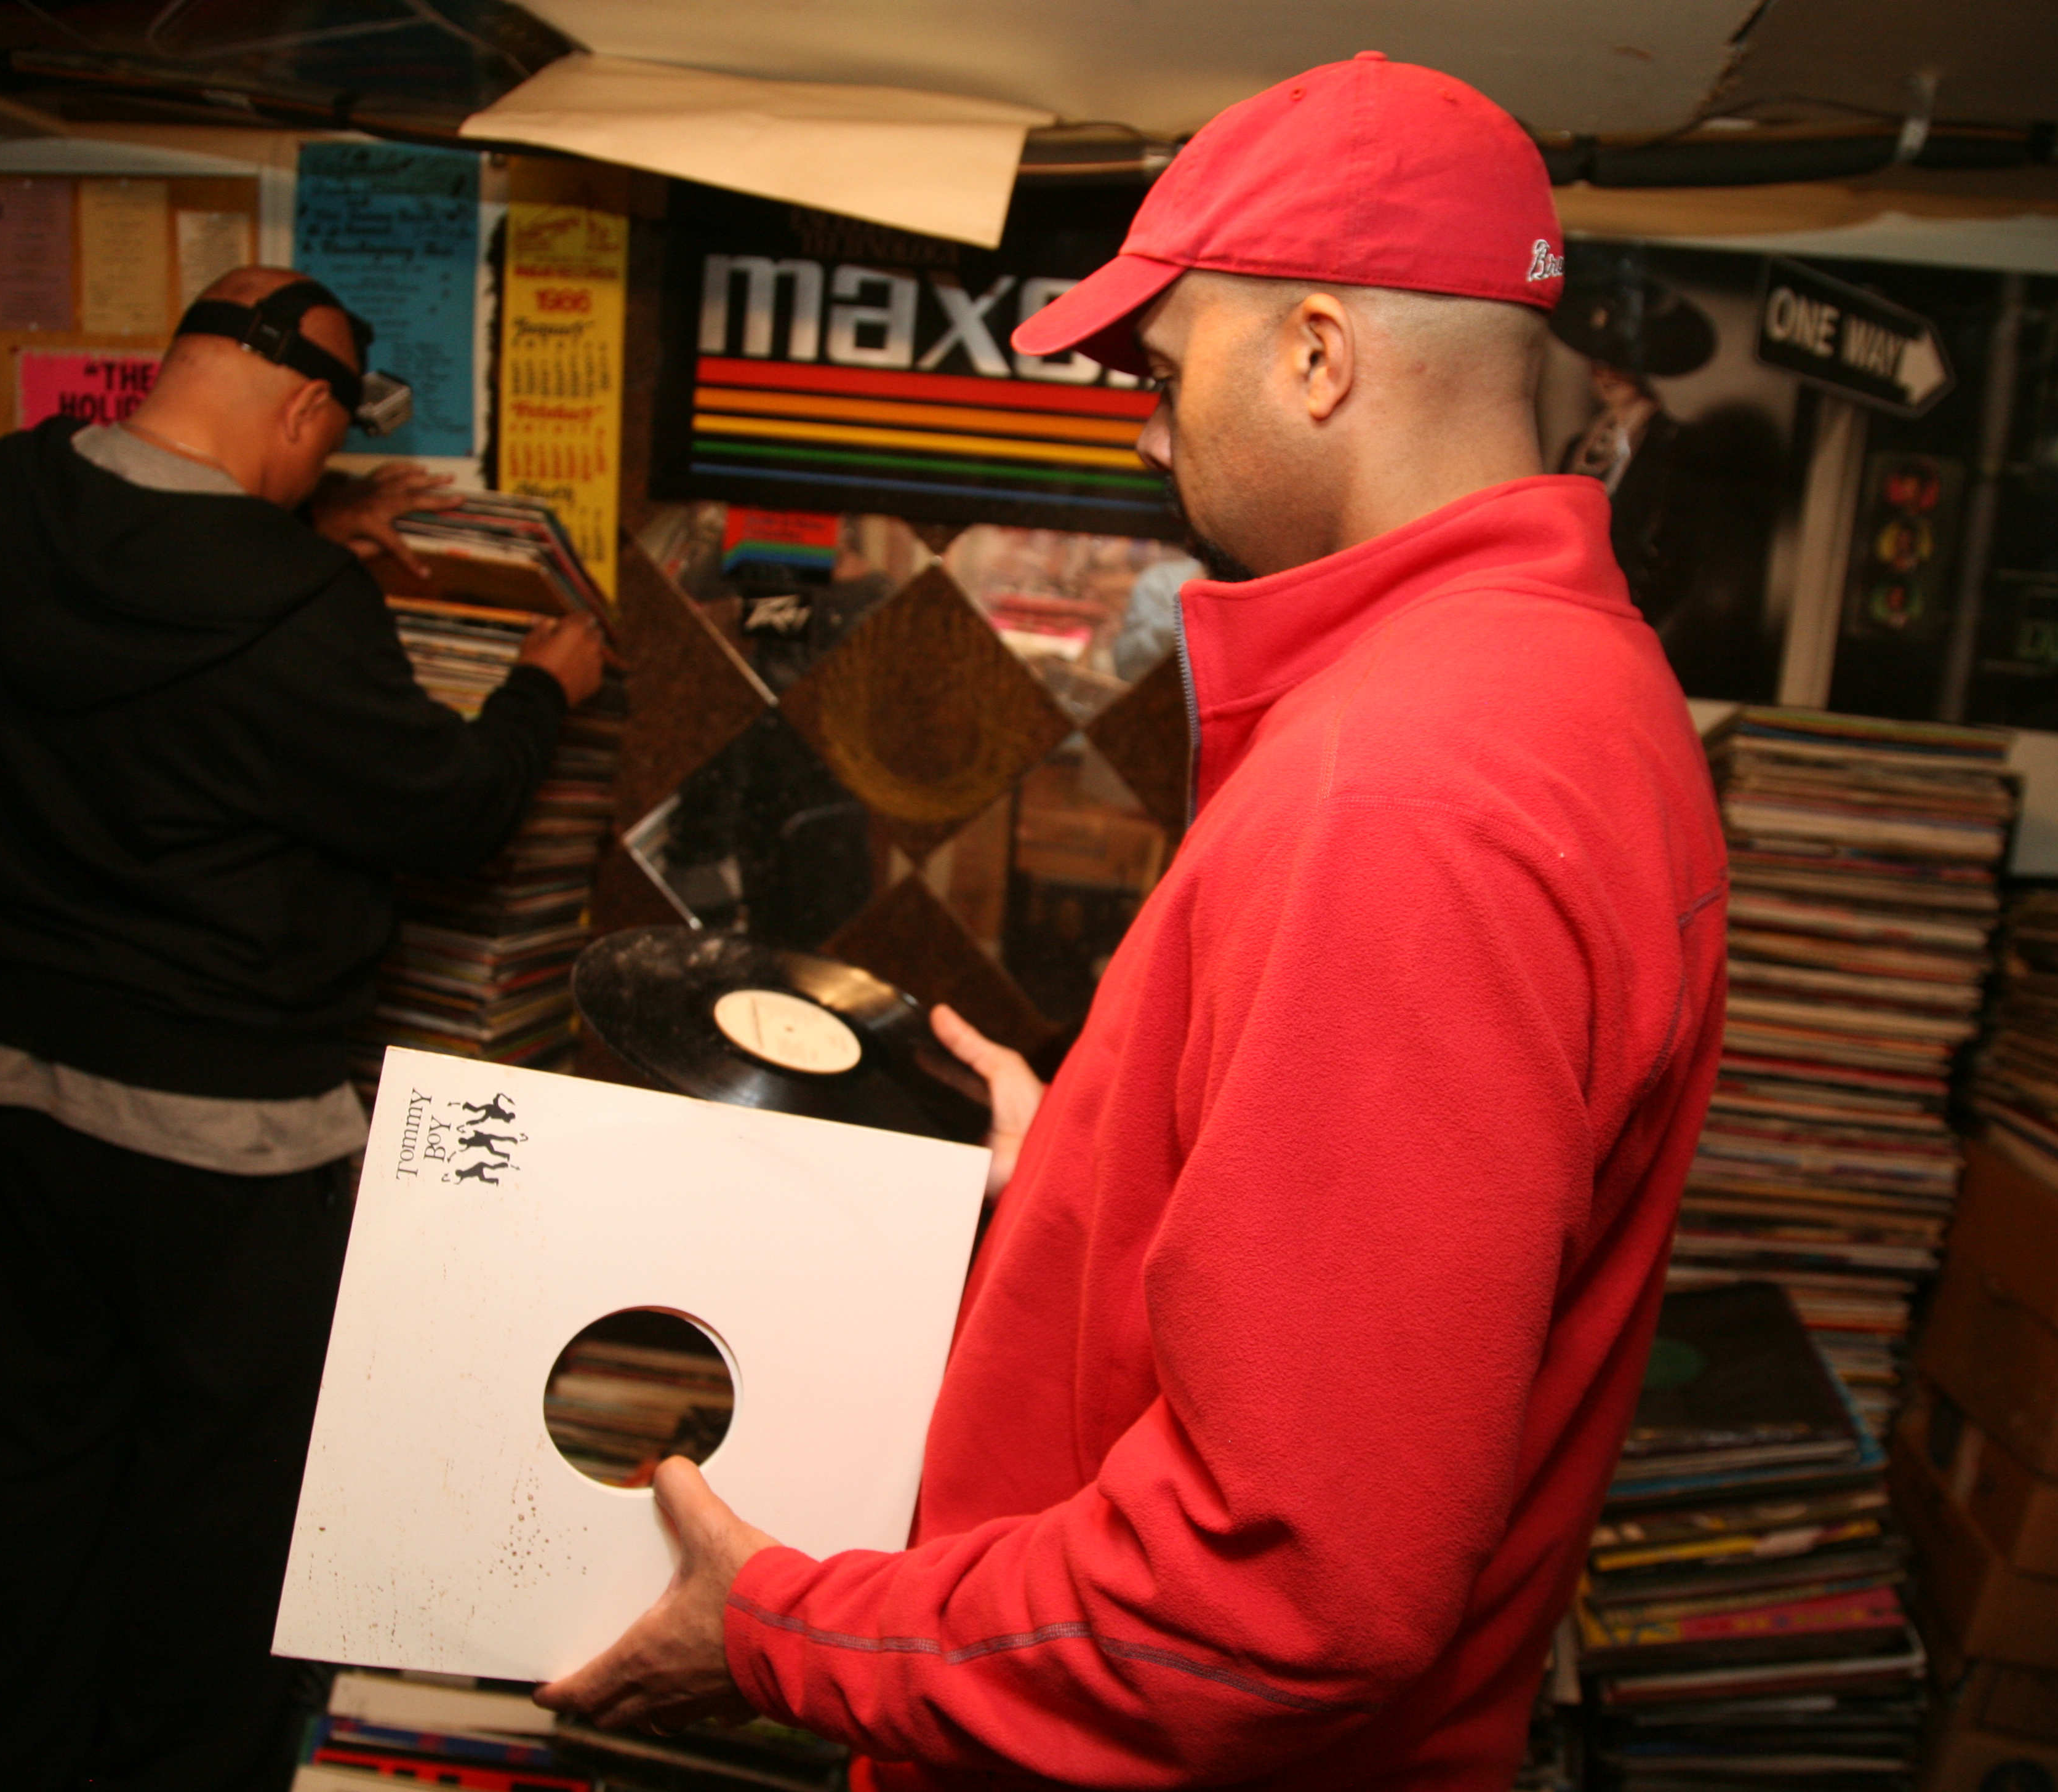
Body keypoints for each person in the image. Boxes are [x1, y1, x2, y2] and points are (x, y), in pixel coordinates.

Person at [536, 55, 1729, 1789]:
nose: (1149, 430)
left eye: (1166, 373)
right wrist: (1096, 1184)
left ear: (1317, 356)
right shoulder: (1568, 685)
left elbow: (1281, 1596)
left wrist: (788, 1635)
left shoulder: (1410, 788)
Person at [0, 267, 609, 1792]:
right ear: (307, 410)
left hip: (27, 1090)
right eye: (326, 449)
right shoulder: (301, 605)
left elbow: (151, 574)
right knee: (223, 1499)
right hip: (229, 1135)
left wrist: (298, 526)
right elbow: (451, 811)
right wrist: (539, 688)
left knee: (34, 1466)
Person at [1548, 267, 1784, 701]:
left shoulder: (1677, 447)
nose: (1606, 374)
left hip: (1625, 626)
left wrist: (1631, 618)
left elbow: (1680, 558)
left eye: (1620, 362)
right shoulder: (1577, 448)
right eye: (1598, 361)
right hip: (1560, 618)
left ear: (1646, 366)